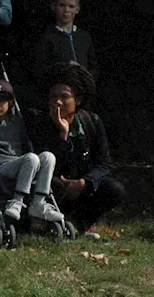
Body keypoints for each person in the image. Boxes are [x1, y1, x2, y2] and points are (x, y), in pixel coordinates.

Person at [30, 63, 125, 238]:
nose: (58, 102)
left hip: (82, 187)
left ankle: (79, 224)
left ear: (78, 100)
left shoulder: (92, 122)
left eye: (64, 97)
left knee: (114, 189)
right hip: (54, 187)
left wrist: (84, 182)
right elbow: (45, 164)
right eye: (53, 97)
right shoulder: (40, 123)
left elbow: (104, 163)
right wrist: (62, 135)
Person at [0, 78, 64, 225]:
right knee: (32, 158)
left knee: (48, 156)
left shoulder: (18, 121)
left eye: (1, 102)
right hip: (0, 167)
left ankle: (39, 202)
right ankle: (17, 200)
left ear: (10, 103)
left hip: (22, 162)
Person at [33, 0, 98, 80]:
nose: (66, 10)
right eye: (62, 5)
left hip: (82, 91)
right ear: (53, 6)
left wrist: (83, 72)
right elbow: (39, 70)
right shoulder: (47, 37)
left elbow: (94, 68)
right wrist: (65, 68)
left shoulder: (84, 37)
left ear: (77, 9)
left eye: (71, 6)